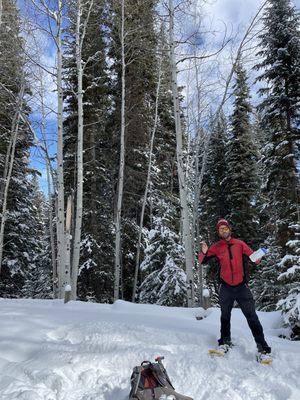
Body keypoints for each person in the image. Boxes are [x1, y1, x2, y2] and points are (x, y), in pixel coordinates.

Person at [198, 218, 271, 355]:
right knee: (225, 316)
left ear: (229, 229)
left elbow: (254, 258)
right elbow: (203, 261)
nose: (223, 230)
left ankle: (263, 347)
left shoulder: (239, 244)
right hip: (226, 287)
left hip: (242, 287)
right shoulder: (216, 246)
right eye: (220, 229)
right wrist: (204, 251)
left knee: (252, 316)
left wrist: (259, 255)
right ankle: (225, 342)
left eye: (225, 228)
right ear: (218, 232)